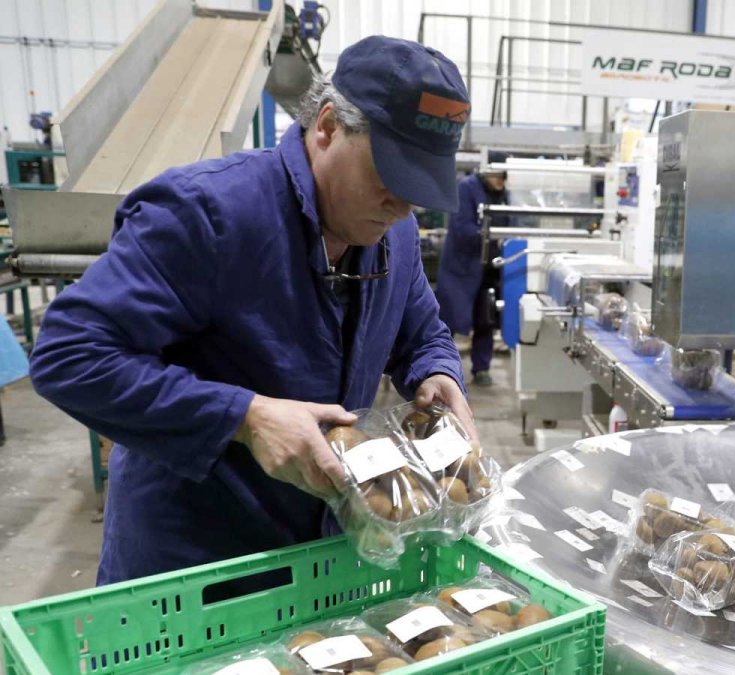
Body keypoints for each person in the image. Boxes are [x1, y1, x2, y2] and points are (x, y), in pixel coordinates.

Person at [28, 37, 475, 584]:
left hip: (329, 557)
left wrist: (437, 372)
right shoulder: (208, 214)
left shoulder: (396, 233)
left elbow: (421, 330)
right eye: (391, 176)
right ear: (328, 127)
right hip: (196, 567)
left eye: (420, 187)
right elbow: (68, 356)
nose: (404, 205)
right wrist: (244, 417)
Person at [436, 154, 510, 386]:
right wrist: (493, 237)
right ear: (486, 171)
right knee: (449, 321)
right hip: (461, 269)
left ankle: (481, 368)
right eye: (497, 175)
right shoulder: (466, 188)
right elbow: (462, 227)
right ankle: (437, 368)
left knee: (485, 320)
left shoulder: (504, 195)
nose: (501, 180)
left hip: (489, 268)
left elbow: (511, 222)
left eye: (504, 176)